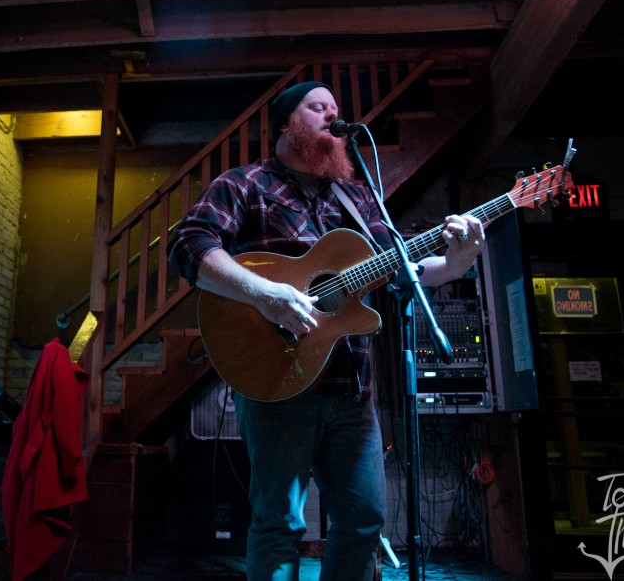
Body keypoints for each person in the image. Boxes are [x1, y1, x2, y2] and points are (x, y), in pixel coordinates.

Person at [167, 81, 485, 581]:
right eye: (319, 107)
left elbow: (402, 269)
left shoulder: (357, 196)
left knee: (362, 522)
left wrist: (459, 259)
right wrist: (265, 294)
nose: (335, 118)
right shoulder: (245, 184)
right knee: (280, 525)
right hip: (277, 384)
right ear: (287, 123)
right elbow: (189, 246)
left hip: (351, 390)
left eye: (338, 110)